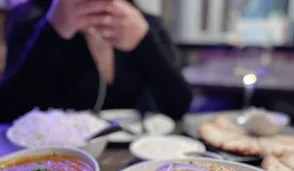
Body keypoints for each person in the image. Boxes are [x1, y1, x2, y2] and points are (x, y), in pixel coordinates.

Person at [0, 0, 192, 122]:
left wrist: (145, 43)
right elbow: (9, 112)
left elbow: (177, 106)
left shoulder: (144, 21)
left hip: (132, 155)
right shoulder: (30, 17)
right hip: (55, 161)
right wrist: (52, 32)